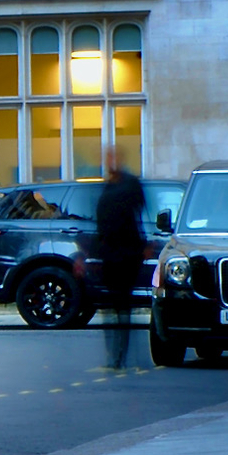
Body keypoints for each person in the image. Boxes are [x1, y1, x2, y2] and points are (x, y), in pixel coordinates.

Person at [95, 154, 146, 369]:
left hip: (126, 253)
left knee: (122, 306)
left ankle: (120, 356)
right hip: (111, 253)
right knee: (113, 306)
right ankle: (115, 355)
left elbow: (137, 212)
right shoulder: (108, 188)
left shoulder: (128, 185)